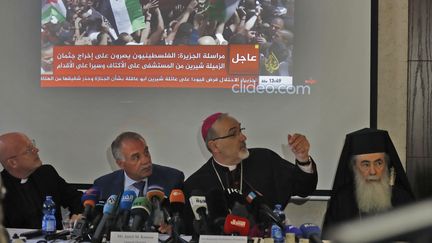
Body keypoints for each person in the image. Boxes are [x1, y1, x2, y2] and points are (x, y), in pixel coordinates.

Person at [183, 112, 318, 234]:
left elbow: (304, 188)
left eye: (240, 130)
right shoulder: (195, 185)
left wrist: (303, 158)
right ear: (214, 146)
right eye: (233, 133)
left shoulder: (265, 159)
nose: (243, 137)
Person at [322, 128, 415, 236]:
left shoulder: (402, 199)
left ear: (386, 165)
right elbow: (329, 238)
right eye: (366, 164)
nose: (373, 171)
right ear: (354, 167)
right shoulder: (341, 201)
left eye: (379, 163)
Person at [0, 132, 83, 229]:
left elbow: (77, 198)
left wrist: (78, 214)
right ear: (13, 162)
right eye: (29, 150)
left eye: (33, 146)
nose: (36, 150)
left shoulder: (46, 173)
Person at [93, 131, 184, 202]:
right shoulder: (103, 186)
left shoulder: (172, 179)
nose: (146, 160)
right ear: (121, 164)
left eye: (146, 152)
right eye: (136, 157)